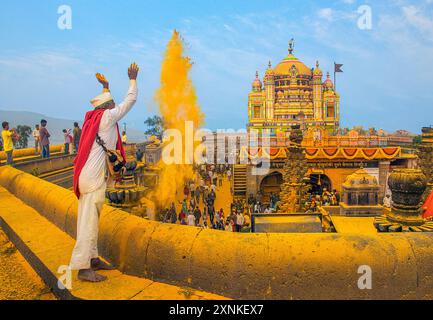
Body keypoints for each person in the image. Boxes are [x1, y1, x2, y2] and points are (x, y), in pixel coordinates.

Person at [70, 63, 139, 282]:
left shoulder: (96, 119)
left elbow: (110, 102)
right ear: (106, 107)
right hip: (91, 180)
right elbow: (130, 101)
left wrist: (106, 86)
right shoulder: (107, 118)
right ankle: (83, 268)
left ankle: (93, 259)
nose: (114, 105)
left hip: (89, 177)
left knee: (91, 220)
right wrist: (133, 79)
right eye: (111, 103)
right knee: (88, 223)